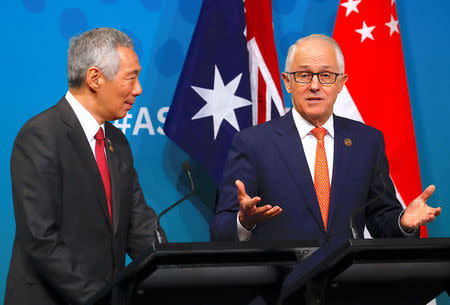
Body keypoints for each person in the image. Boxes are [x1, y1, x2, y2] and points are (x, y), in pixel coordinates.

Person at [210, 34, 441, 243]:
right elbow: (220, 230)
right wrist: (244, 221)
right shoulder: (253, 143)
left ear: (341, 83)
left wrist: (403, 222)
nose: (315, 86)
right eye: (303, 75)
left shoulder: (367, 142)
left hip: (346, 284)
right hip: (281, 284)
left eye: (326, 75)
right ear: (288, 82)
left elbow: (381, 219)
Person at [5, 27, 165, 305]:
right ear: (95, 78)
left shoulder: (117, 142)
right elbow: (41, 240)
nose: (138, 90)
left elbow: (138, 226)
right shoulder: (41, 136)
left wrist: (173, 269)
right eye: (132, 77)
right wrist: (99, 298)